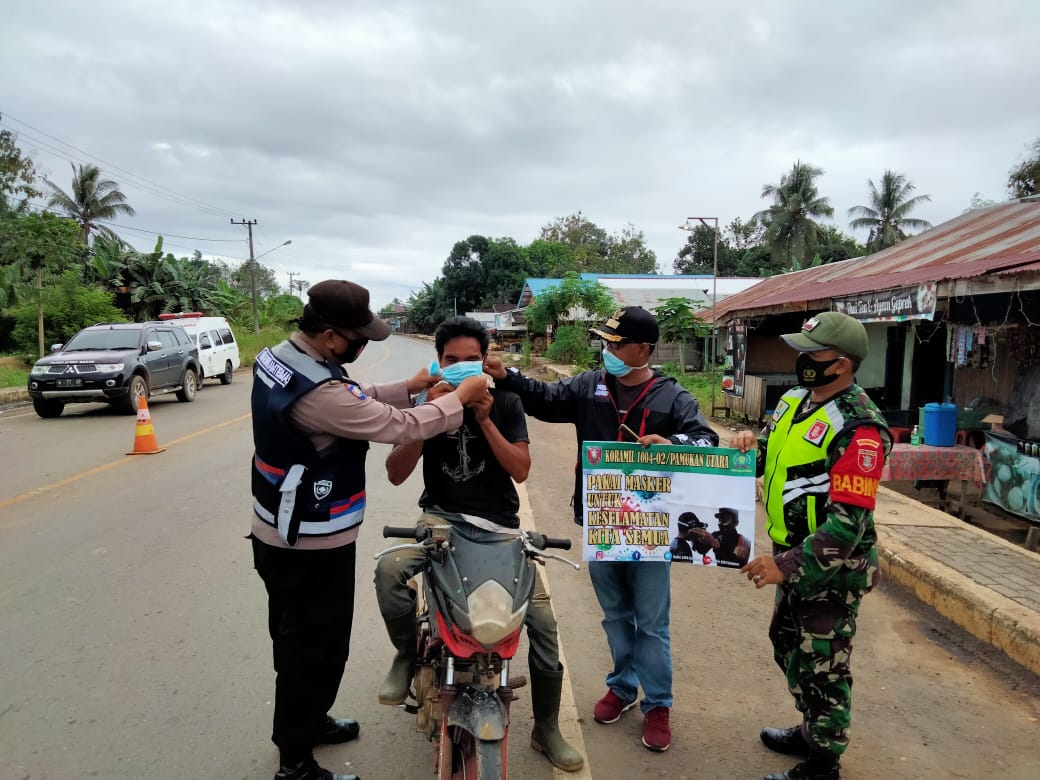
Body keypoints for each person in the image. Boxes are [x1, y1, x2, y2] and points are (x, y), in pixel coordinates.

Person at [250, 280, 491, 780]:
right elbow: (396, 427)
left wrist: (412, 386)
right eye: (360, 336)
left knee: (298, 641)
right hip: (309, 542)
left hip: (282, 527)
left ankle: (307, 722)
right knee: (313, 648)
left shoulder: (285, 358)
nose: (364, 344)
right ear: (333, 336)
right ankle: (295, 764)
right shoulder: (319, 392)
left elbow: (355, 396)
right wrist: (457, 398)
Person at [484, 306, 718, 753]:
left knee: (651, 622)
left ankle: (658, 704)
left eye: (616, 344)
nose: (607, 351)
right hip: (603, 521)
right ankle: (623, 687)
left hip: (650, 532)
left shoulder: (673, 397)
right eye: (605, 343)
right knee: (614, 614)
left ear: (643, 349)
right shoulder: (589, 386)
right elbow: (543, 396)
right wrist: (507, 374)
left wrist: (674, 443)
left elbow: (706, 440)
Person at [374, 316, 584, 772]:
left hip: (500, 529)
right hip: (441, 520)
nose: (462, 369)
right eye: (452, 361)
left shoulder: (506, 401)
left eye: (472, 361)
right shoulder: (426, 404)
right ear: (438, 362)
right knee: (389, 571)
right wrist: (428, 418)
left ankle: (547, 727)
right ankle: (406, 655)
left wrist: (485, 420)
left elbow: (521, 470)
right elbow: (395, 472)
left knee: (543, 624)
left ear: (485, 361)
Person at [734, 311, 891, 780]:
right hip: (794, 557)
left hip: (831, 569)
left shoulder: (859, 427)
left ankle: (824, 760)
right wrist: (736, 448)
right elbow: (762, 457)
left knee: (824, 665)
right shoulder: (794, 401)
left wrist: (786, 565)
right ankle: (811, 728)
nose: (801, 359)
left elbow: (848, 526)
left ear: (841, 364)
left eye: (812, 352)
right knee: (788, 645)